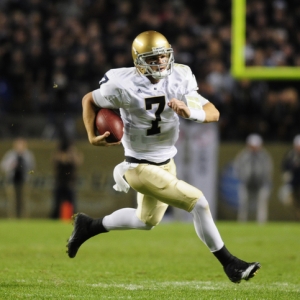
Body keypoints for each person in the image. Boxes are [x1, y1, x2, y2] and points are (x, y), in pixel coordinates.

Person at [66, 30, 260, 283]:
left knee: (145, 220)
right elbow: (89, 99)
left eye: (163, 57)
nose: (160, 63)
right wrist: (91, 135)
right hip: (138, 167)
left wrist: (190, 112)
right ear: (138, 61)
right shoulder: (122, 84)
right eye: (153, 59)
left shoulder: (179, 76)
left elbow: (213, 112)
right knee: (198, 202)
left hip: (166, 163)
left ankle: (89, 226)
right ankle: (230, 264)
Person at [233, 134, 273, 224]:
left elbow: (268, 170)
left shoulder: (264, 156)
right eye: (252, 146)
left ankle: (261, 224)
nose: (254, 148)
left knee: (262, 203)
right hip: (246, 183)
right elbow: (237, 168)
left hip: (261, 183)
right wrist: (242, 177)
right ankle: (242, 223)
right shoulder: (243, 155)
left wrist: (264, 180)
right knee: (243, 204)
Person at [0, 137, 35, 218]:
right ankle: (12, 218)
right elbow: (3, 166)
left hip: (24, 181)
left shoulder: (28, 155)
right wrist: (11, 165)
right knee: (12, 201)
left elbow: (32, 167)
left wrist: (25, 168)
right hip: (12, 181)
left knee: (24, 201)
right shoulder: (10, 155)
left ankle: (24, 218)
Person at [51, 137, 83, 219]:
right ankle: (54, 219)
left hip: (70, 183)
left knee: (72, 205)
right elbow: (56, 160)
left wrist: (72, 153)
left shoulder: (73, 155)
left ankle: (74, 219)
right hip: (60, 182)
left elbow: (78, 161)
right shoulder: (58, 155)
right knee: (57, 204)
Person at [281, 134, 300, 220]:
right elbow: (285, 168)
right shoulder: (290, 155)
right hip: (292, 184)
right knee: (286, 200)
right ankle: (295, 217)